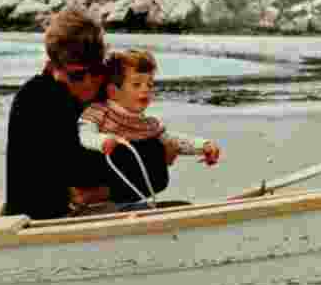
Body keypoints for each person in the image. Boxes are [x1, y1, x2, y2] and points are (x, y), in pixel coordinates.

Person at [4, 8, 178, 219]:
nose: (88, 83)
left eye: (96, 71)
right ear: (52, 67)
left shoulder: (108, 91)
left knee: (179, 207)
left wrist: (102, 190)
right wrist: (151, 156)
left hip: (92, 214)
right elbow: (80, 168)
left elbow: (157, 176)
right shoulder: (35, 99)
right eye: (77, 75)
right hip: (40, 222)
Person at [78, 49, 221, 205]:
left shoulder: (147, 123)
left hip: (130, 192)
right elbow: (84, 134)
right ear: (113, 91)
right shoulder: (100, 111)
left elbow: (172, 140)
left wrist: (202, 145)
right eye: (137, 84)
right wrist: (102, 141)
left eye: (150, 84)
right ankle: (96, 199)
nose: (145, 89)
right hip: (98, 182)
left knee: (161, 146)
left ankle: (128, 204)